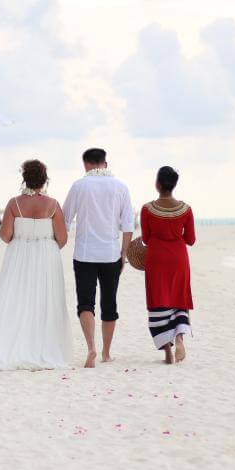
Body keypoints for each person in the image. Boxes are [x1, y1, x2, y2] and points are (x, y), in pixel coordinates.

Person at [0, 160, 73, 371]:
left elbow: (5, 235)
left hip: (19, 255)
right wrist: (45, 244)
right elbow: (62, 238)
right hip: (46, 256)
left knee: (17, 300)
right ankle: (43, 346)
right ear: (44, 180)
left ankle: (17, 346)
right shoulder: (53, 204)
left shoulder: (14, 204)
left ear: (24, 178)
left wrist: (23, 239)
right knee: (45, 301)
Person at [62, 148, 134, 368]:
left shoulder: (79, 186)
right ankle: (106, 352)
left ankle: (91, 347)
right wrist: (124, 253)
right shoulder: (120, 186)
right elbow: (128, 224)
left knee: (85, 303)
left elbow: (65, 221)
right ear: (105, 163)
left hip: (84, 254)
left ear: (85, 165)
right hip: (111, 254)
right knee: (109, 303)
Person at [141, 166, 196, 364]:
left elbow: (146, 239)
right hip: (179, 259)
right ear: (174, 185)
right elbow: (190, 239)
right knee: (178, 299)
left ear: (157, 184)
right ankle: (180, 338)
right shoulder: (186, 209)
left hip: (156, 259)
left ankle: (167, 351)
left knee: (158, 303)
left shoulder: (147, 209)